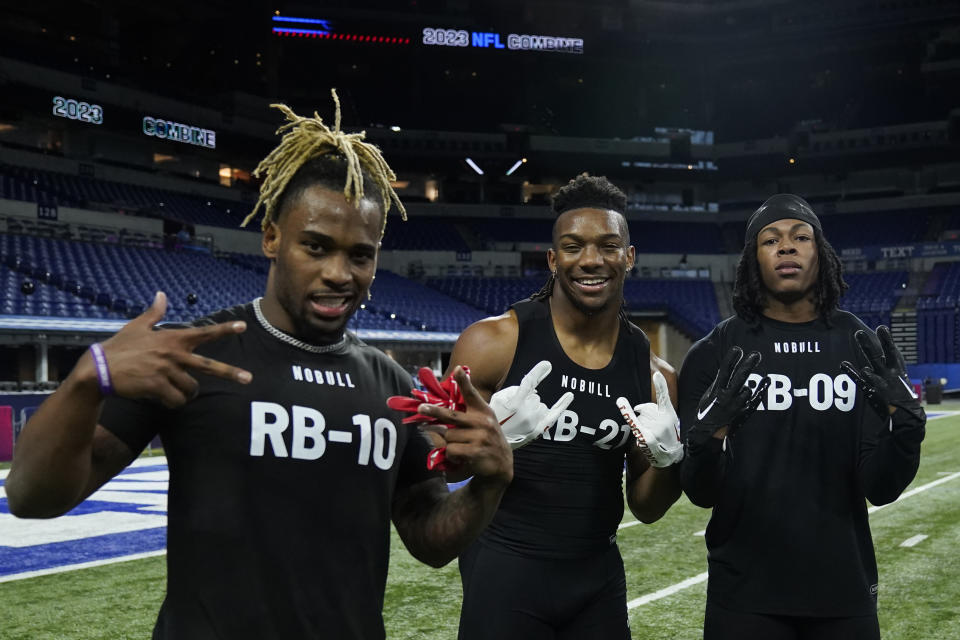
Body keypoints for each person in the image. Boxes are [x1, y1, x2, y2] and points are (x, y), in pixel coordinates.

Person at [5, 91, 514, 640]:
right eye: (316, 247)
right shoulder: (193, 355)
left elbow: (427, 537)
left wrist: (489, 483)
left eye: (359, 254)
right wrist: (86, 379)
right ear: (271, 237)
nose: (340, 273)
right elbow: (34, 498)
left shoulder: (390, 385)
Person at [444, 175, 684, 640]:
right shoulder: (492, 343)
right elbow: (440, 467)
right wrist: (485, 444)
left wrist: (669, 462)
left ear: (629, 257)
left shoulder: (654, 374)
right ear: (553, 260)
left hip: (596, 578)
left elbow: (648, 508)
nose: (591, 260)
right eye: (573, 247)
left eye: (608, 246)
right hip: (504, 568)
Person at [678, 193, 926, 640]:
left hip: (842, 591)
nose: (786, 247)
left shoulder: (861, 346)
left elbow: (881, 487)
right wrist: (709, 436)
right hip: (744, 595)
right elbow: (701, 492)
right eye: (770, 240)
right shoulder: (715, 353)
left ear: (821, 253)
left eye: (800, 237)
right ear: (753, 259)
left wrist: (906, 432)